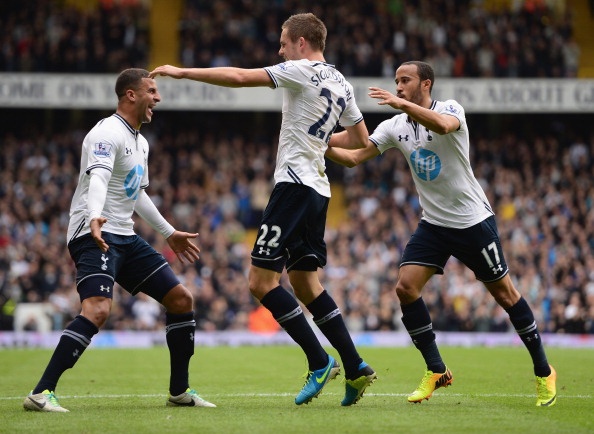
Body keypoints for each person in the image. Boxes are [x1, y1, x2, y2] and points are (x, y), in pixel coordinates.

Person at [149, 13, 377, 406]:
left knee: (260, 282)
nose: (280, 50)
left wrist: (182, 72)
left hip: (293, 187)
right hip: (319, 190)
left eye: (284, 43)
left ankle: (319, 361)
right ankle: (355, 366)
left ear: (302, 43)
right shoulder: (341, 81)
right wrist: (320, 140)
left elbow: (240, 77)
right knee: (306, 284)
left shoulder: (300, 69)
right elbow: (361, 139)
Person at [326, 60, 557, 407]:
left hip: (472, 221)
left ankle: (544, 370)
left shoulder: (450, 109)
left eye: (406, 80)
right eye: (396, 81)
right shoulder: (394, 127)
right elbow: (354, 158)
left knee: (506, 296)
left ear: (426, 84)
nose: (398, 86)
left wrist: (401, 104)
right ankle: (436, 370)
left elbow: (444, 126)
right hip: (434, 223)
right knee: (405, 288)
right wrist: (320, 145)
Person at [23, 68, 216, 412]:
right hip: (92, 233)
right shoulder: (106, 132)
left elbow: (136, 193)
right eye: (152, 91)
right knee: (97, 309)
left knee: (180, 299)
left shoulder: (141, 142)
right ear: (131, 94)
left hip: (125, 236)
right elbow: (98, 178)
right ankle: (41, 393)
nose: (158, 98)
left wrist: (168, 232)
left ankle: (179, 391)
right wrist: (95, 215)